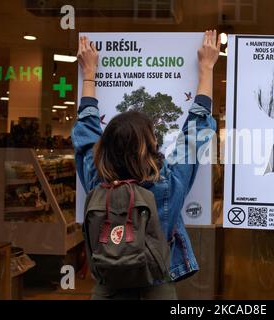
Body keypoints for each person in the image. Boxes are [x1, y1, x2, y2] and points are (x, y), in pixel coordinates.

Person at [71, 30, 219, 299]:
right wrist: (207, 68)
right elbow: (196, 134)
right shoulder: (166, 185)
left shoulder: (96, 179)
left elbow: (85, 130)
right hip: (157, 289)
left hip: (107, 291)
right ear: (149, 148)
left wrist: (89, 73)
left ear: (106, 148)